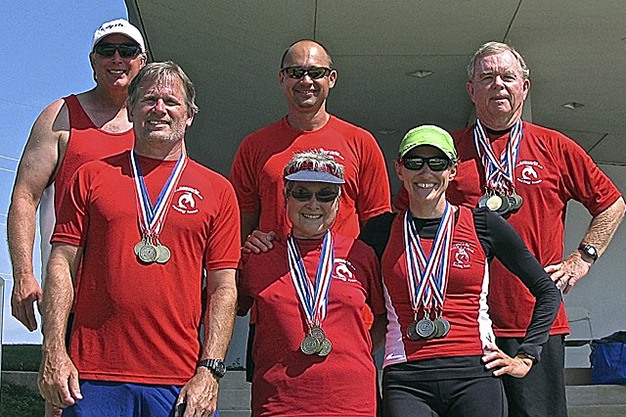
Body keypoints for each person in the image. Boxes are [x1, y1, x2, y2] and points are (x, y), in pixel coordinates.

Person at [393, 42, 625, 416]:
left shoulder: (555, 147)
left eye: (507, 77)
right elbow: (403, 221)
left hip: (534, 322)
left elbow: (612, 203)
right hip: (462, 327)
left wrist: (583, 258)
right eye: (486, 78)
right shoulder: (446, 155)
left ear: (524, 88)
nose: (497, 85)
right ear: (471, 90)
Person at [37, 61, 240, 417]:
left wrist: (210, 371)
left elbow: (223, 287)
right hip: (95, 377)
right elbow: (61, 265)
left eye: (171, 102)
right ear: (130, 110)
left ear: (189, 115)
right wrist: (54, 350)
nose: (159, 109)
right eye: (148, 100)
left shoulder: (218, 190)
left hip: (179, 380)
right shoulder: (91, 176)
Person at [367, 125, 560, 417]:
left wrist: (527, 354)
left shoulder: (483, 224)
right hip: (407, 379)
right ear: (399, 170)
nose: (426, 172)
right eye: (414, 163)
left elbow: (547, 290)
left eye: (438, 163)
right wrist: (273, 241)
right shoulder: (381, 230)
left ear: (453, 170)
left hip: (475, 375)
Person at [8, 18, 147, 332]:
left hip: (140, 297)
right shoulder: (60, 117)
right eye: (106, 50)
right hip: (70, 295)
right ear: (92, 61)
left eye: (127, 50)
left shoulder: (155, 123)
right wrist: (24, 274)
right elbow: (24, 198)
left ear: (142, 60)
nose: (117, 59)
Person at [237, 149, 387, 416]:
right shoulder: (259, 256)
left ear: (339, 202)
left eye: (325, 195)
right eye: (302, 193)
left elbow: (385, 317)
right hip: (279, 403)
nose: (313, 204)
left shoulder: (360, 254)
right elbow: (223, 305)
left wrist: (355, 349)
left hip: (352, 403)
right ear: (285, 199)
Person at [230, 39, 391, 251]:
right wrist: (249, 242)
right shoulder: (254, 146)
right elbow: (238, 224)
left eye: (316, 73)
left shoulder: (361, 142)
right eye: (295, 72)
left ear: (331, 79)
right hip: (274, 275)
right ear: (282, 78)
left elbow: (377, 224)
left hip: (340, 276)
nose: (306, 81)